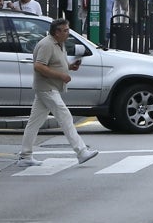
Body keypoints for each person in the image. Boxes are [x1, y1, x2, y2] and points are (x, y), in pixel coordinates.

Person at [17, 19, 98, 167]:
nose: (68, 33)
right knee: (65, 117)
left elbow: (56, 62)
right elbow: (39, 66)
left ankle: (25, 155)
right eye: (65, 30)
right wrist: (61, 76)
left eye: (67, 29)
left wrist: (70, 67)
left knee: (34, 123)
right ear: (57, 32)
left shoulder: (58, 43)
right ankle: (81, 151)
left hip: (49, 88)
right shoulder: (47, 44)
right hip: (47, 88)